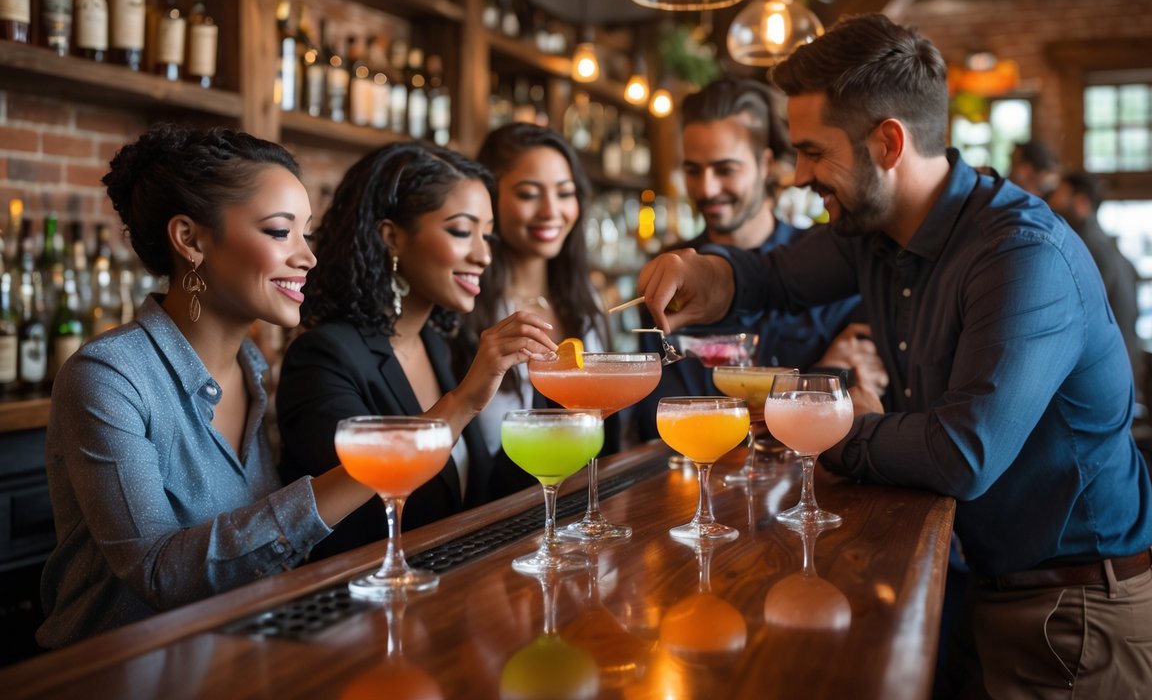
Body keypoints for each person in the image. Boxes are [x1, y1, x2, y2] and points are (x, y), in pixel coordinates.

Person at [636, 14, 1152, 698]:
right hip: (981, 588)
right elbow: (771, 277)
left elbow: (959, 455)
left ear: (887, 142)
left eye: (812, 152)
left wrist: (823, 423)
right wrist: (705, 271)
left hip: (1070, 614)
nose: (796, 174)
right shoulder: (874, 232)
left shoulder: (1020, 255)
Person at [37, 125, 376, 648]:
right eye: (280, 232)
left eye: (306, 233)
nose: (307, 256)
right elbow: (158, 574)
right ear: (190, 239)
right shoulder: (107, 377)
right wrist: (372, 469)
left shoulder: (252, 370)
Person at [276, 141, 557, 559]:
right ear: (391, 237)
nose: (483, 255)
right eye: (462, 232)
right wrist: (464, 402)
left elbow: (474, 498)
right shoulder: (323, 358)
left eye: (487, 235)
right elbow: (361, 510)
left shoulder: (436, 346)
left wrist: (558, 402)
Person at [632, 76, 880, 442]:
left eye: (725, 169)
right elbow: (660, 415)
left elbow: (860, 396)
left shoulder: (829, 265)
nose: (707, 188)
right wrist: (822, 372)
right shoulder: (670, 277)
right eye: (693, 170)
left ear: (765, 163)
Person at [468, 123, 613, 466]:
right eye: (529, 194)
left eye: (564, 193)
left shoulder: (586, 299)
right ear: (489, 198)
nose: (551, 211)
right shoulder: (467, 307)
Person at [1048, 170, 1142, 378]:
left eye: (1059, 195)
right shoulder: (1104, 243)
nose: (1050, 203)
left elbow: (1077, 312)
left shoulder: (1086, 245)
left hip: (1104, 370)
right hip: (1118, 364)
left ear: (1081, 202)